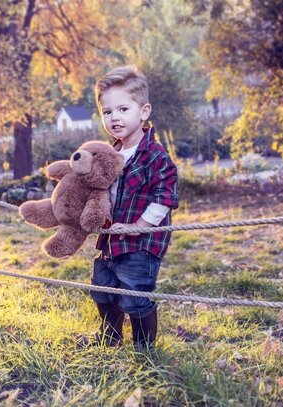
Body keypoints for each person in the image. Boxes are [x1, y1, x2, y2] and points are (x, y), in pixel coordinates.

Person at [89, 65, 178, 350]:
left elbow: (166, 194)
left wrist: (141, 225)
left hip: (141, 245)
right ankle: (110, 334)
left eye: (123, 109)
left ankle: (144, 347)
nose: (114, 117)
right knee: (101, 289)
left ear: (143, 111)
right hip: (111, 240)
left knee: (134, 295)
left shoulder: (154, 155)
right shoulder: (110, 154)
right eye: (107, 111)